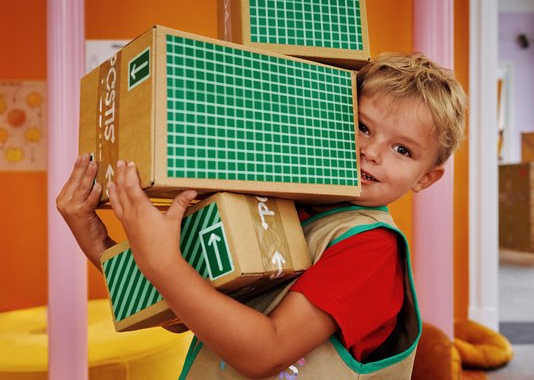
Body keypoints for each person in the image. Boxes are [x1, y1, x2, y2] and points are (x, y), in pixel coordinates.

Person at [56, 52, 468, 379]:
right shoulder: (281, 205)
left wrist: (163, 263)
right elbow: (187, 313)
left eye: (403, 149)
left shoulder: (369, 248)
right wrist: (97, 241)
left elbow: (264, 353)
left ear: (425, 178)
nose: (371, 151)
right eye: (361, 126)